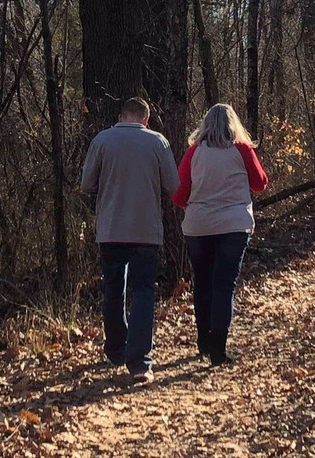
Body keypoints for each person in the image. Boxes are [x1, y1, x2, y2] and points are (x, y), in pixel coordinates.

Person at [80, 97, 180, 383]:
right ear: (146, 120)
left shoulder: (102, 140)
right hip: (146, 230)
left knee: (113, 289)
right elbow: (173, 186)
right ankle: (139, 362)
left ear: (121, 116)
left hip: (111, 229)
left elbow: (86, 184)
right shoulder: (158, 142)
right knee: (144, 292)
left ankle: (115, 349)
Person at [173, 103, 268, 366]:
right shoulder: (242, 150)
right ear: (233, 124)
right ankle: (218, 349)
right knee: (223, 286)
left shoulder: (194, 153)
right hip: (233, 224)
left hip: (198, 225)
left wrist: (200, 204)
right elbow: (260, 184)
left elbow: (179, 195)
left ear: (205, 125)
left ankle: (203, 341)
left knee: (202, 283)